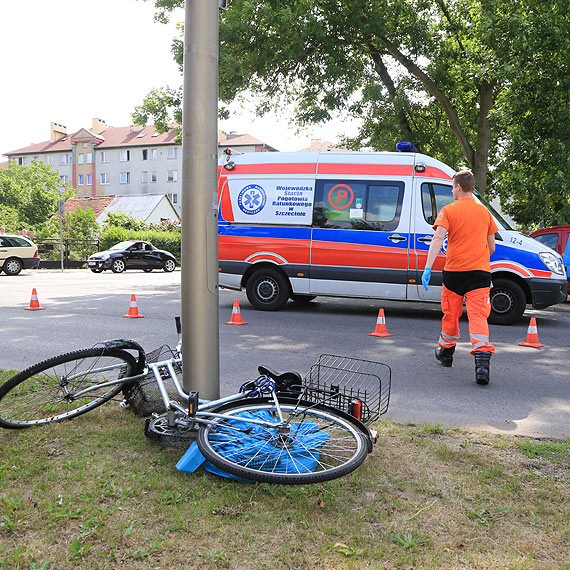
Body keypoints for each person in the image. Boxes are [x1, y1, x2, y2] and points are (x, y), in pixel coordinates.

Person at [421, 170, 498, 385]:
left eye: (452, 187)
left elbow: (438, 238)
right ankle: (482, 366)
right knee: (478, 317)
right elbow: (491, 246)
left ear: (458, 187)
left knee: (451, 314)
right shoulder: (485, 213)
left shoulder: (448, 211)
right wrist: (478, 257)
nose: (452, 190)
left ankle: (446, 354)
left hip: (454, 273)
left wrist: (427, 268)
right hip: (480, 274)